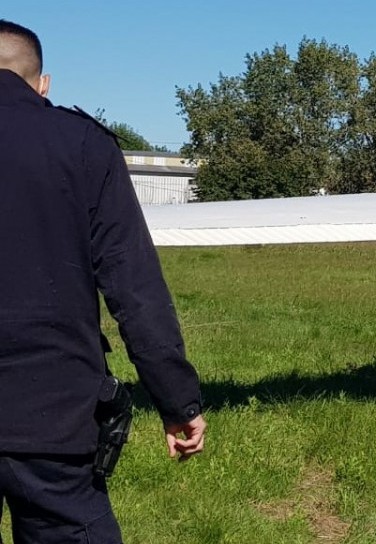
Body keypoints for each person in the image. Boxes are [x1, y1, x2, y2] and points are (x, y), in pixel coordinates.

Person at [0, 20, 206, 542]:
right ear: (42, 83)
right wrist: (177, 402)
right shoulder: (83, 144)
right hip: (52, 415)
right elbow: (134, 289)